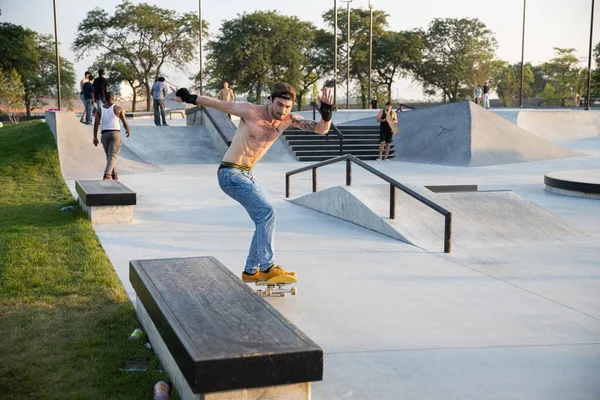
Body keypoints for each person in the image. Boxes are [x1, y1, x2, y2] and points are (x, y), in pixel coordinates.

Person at [172, 82, 333, 282]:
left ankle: (250, 271)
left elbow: (321, 130)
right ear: (271, 100)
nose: (282, 111)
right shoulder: (250, 111)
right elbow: (217, 104)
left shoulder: (289, 120)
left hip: (247, 174)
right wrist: (189, 97)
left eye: (287, 107)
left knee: (264, 220)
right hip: (230, 173)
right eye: (279, 105)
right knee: (267, 213)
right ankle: (267, 267)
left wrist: (326, 113)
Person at [93, 92, 131, 180]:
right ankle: (107, 175)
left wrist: (94, 137)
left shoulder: (100, 109)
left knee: (109, 156)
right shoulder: (118, 108)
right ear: (113, 98)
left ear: (105, 99)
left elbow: (96, 124)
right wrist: (127, 129)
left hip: (104, 134)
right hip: (115, 134)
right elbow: (124, 122)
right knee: (112, 156)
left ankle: (115, 176)